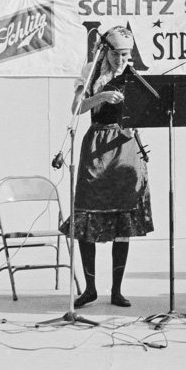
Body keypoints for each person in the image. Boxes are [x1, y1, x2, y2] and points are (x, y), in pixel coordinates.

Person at [60, 26, 153, 308]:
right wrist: (101, 96)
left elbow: (147, 111)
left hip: (126, 148)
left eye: (127, 55)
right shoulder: (91, 71)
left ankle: (116, 290)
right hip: (97, 147)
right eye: (117, 55)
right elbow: (76, 107)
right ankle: (89, 288)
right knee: (86, 214)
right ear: (106, 51)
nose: (122, 60)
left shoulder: (133, 75)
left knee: (123, 221)